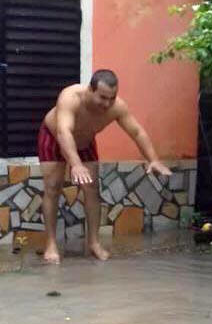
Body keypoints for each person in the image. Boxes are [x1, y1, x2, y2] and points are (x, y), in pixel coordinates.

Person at [37, 69, 172, 264]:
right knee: (52, 187)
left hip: (84, 142)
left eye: (112, 98)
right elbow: (63, 132)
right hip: (54, 136)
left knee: (92, 189)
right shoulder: (70, 97)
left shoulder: (117, 107)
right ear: (90, 90)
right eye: (102, 97)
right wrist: (75, 164)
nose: (107, 104)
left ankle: (94, 243)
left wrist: (154, 159)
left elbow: (136, 132)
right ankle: (50, 244)